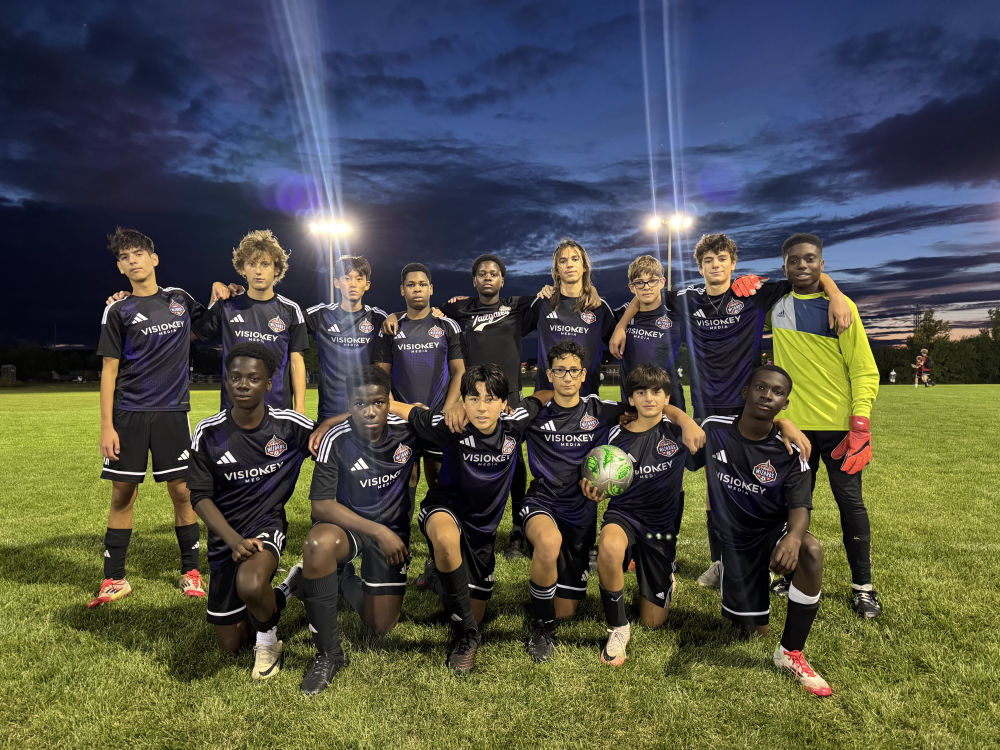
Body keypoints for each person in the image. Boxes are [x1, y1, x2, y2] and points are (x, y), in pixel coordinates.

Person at [611, 234, 852, 589]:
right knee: (716, 487)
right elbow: (647, 294)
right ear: (700, 267)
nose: (716, 265)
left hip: (746, 407)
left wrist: (836, 294)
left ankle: (762, 556)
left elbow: (805, 277)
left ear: (733, 263)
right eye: (708, 260)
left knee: (753, 484)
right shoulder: (687, 298)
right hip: (707, 409)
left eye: (722, 259)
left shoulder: (751, 294)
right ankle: (719, 562)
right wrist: (621, 325)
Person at [519, 344, 703, 662]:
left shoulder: (601, 412)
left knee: (648, 620)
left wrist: (686, 420)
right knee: (559, 549)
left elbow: (655, 404)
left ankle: (661, 576)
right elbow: (499, 420)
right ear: (549, 374)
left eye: (573, 370)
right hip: (548, 502)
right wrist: (537, 398)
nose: (567, 377)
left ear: (583, 375)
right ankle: (553, 627)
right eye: (559, 371)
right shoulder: (536, 412)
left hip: (587, 515)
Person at [389, 365, 550, 675]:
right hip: (445, 510)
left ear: (504, 403)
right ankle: (467, 637)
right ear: (463, 401)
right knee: (447, 542)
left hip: (482, 534)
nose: (481, 407)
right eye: (473, 399)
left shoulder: (514, 424)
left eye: (490, 399)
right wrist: (381, 402)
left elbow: (542, 396)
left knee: (472, 610)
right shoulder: (452, 425)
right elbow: (407, 411)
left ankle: (438, 576)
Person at [386, 254, 541, 560]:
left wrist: (551, 291)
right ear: (474, 281)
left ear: (502, 280)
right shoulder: (460, 308)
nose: (488, 277)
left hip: (506, 396)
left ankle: (517, 532)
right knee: (461, 458)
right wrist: (393, 314)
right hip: (471, 398)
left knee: (514, 461)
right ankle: (457, 523)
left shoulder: (518, 305)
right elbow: (421, 310)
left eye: (493, 273)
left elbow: (550, 303)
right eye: (482, 273)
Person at [692, 365, 831, 697]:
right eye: (761, 388)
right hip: (735, 544)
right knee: (753, 631)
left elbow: (800, 506)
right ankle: (734, 574)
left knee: (810, 550)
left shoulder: (791, 449)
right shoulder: (714, 429)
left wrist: (793, 538)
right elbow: (676, 435)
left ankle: (791, 653)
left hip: (771, 532)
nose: (768, 395)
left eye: (778, 392)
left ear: (785, 404)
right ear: (746, 392)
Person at [92, 227, 207, 607]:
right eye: (125, 257)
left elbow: (207, 325)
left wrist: (222, 290)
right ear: (120, 267)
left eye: (138, 254)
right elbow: (109, 370)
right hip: (129, 414)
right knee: (123, 492)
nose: (133, 261)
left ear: (153, 258)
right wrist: (106, 426)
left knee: (182, 491)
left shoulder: (179, 299)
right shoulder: (117, 309)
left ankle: (191, 571)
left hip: (172, 413)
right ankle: (114, 578)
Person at [768, 234, 882, 617]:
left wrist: (860, 423)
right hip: (796, 429)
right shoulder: (777, 307)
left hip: (839, 429)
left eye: (810, 259)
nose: (802, 265)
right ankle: (791, 574)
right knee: (793, 505)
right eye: (794, 260)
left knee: (850, 503)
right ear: (784, 267)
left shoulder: (842, 308)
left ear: (822, 263)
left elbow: (864, 369)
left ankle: (863, 586)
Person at [185, 343, 313, 677]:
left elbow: (331, 438)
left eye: (253, 378)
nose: (243, 384)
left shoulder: (288, 427)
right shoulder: (208, 432)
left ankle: (269, 643)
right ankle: (288, 589)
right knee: (232, 645)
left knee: (252, 585)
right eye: (236, 377)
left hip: (266, 525)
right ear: (227, 381)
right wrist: (232, 540)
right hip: (225, 539)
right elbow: (199, 496)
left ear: (268, 383)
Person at [298, 366, 420, 695]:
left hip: (392, 529)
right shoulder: (336, 438)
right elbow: (321, 505)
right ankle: (328, 655)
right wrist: (378, 531)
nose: (370, 412)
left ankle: (340, 580)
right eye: (360, 404)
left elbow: (437, 422)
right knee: (318, 544)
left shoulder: (407, 431)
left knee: (381, 625)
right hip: (351, 526)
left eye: (378, 403)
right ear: (349, 405)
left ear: (389, 402)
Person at [580, 364, 691, 666]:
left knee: (654, 621)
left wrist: (685, 420)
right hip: (625, 515)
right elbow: (599, 474)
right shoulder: (616, 433)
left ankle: (664, 575)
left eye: (656, 392)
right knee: (609, 546)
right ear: (631, 398)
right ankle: (618, 628)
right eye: (641, 392)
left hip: (660, 527)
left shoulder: (677, 433)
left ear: (667, 397)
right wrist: (595, 489)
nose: (649, 398)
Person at [374, 263, 465, 506]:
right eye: (411, 285)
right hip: (402, 419)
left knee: (438, 476)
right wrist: (393, 409)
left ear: (431, 289)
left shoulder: (447, 326)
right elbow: (381, 376)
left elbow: (459, 372)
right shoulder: (391, 328)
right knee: (406, 478)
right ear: (402, 290)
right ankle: (402, 529)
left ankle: (440, 525)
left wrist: (447, 409)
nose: (417, 289)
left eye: (422, 284)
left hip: (436, 418)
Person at [201, 230, 308, 413]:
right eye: (251, 264)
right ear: (243, 268)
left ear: (276, 269)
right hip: (233, 411)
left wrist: (300, 408)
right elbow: (194, 333)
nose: (258, 271)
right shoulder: (227, 306)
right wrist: (214, 293)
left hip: (278, 411)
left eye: (265, 264)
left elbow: (296, 362)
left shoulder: (291, 310)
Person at [306, 255, 388, 421]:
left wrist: (396, 315)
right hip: (329, 412)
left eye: (359, 279)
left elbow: (407, 323)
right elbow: (289, 320)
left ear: (367, 285)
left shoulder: (377, 318)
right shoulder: (321, 314)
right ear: (336, 283)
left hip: (367, 411)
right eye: (347, 278)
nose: (353, 284)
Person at [531, 239, 615, 397]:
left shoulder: (599, 307)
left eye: (575, 259)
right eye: (563, 261)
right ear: (556, 270)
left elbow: (619, 345)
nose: (569, 264)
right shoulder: (543, 303)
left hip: (586, 398)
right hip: (546, 400)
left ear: (584, 267)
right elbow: (511, 328)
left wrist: (596, 365)